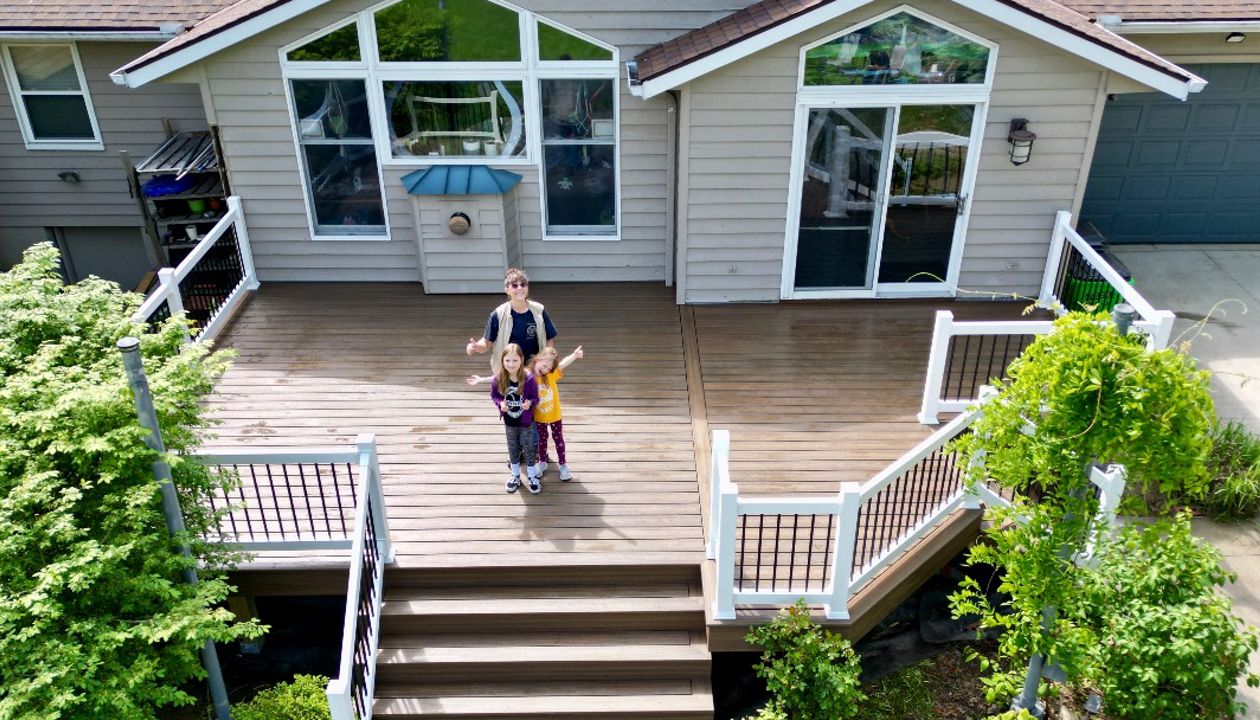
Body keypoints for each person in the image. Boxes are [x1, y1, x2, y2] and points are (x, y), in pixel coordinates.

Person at [466, 268, 557, 375]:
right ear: (507, 290)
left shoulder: (539, 310)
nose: (520, 288)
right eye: (514, 285)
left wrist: (547, 358)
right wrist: (476, 347)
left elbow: (549, 338)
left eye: (523, 284)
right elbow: (487, 342)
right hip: (509, 370)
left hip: (533, 369)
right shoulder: (498, 314)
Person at [489, 344, 541, 495]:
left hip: (526, 421)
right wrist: (501, 404)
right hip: (510, 421)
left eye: (515, 360)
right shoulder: (499, 378)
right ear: (502, 360)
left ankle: (532, 476)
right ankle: (515, 475)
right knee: (512, 447)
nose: (511, 364)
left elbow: (535, 398)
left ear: (521, 360)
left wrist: (530, 403)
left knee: (528, 447)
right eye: (507, 360)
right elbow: (495, 396)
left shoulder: (529, 378)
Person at [529, 345, 583, 481]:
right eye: (544, 365)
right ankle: (542, 462)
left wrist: (574, 355)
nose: (546, 369)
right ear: (538, 359)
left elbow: (563, 364)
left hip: (554, 415)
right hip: (539, 416)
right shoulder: (529, 376)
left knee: (558, 439)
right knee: (542, 440)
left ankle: (563, 465)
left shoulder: (551, 374)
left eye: (548, 368)